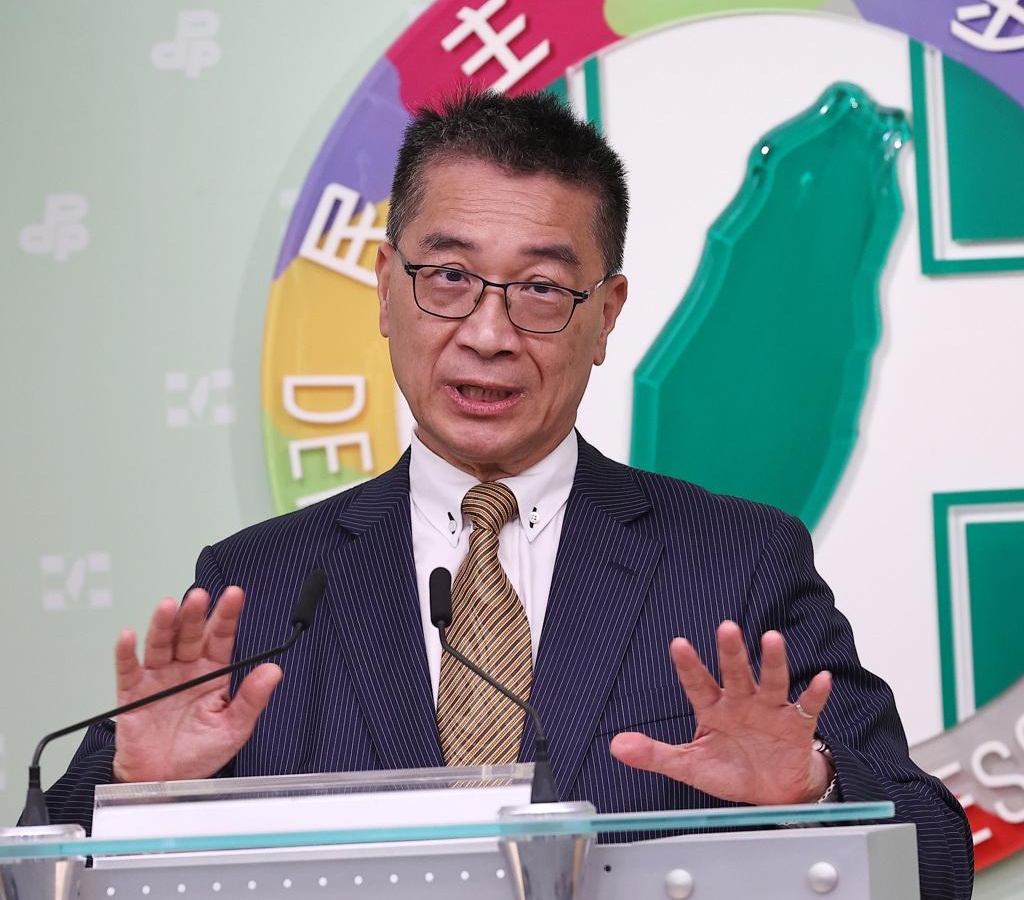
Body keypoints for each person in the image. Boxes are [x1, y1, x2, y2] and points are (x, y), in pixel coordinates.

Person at [45, 90, 972, 898]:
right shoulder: (259, 588)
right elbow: (43, 867)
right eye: (449, 277)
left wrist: (811, 790)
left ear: (605, 316)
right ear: (385, 288)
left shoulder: (735, 564)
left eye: (540, 288)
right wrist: (137, 794)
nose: (488, 333)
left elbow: (937, 858)